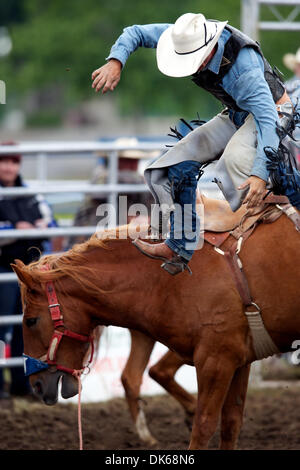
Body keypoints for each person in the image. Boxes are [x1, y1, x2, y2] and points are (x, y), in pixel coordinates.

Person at [91, 13, 292, 275]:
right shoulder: (184, 36)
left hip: (273, 112)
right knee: (169, 167)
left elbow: (268, 121)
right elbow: (136, 32)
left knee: (237, 162)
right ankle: (180, 244)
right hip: (237, 113)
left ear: (207, 52)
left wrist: (259, 174)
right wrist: (116, 60)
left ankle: (287, 196)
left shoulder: (245, 71)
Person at [0, 142, 57, 399]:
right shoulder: (29, 196)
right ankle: (1, 385)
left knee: (28, 325)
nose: (9, 167)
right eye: (4, 161)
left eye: (13, 161)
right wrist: (18, 229)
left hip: (30, 272)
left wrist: (24, 228)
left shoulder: (31, 193)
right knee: (2, 328)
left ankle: (23, 385)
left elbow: (51, 222)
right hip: (3, 269)